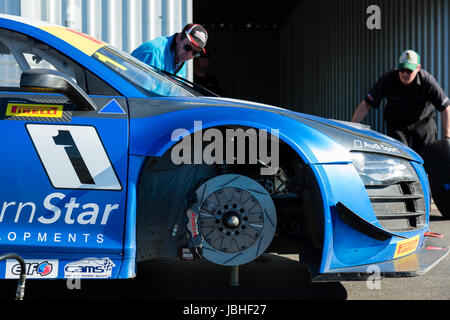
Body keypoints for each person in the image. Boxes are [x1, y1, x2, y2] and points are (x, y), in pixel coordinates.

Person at [352, 50, 450, 153]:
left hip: (423, 121)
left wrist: (447, 138)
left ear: (418, 68)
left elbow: (445, 108)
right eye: (401, 70)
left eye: (409, 71)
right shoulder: (388, 79)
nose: (404, 74)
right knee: (400, 154)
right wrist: (351, 128)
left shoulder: (427, 81)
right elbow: (366, 104)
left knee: (427, 154)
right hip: (397, 123)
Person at [131, 23, 208, 79]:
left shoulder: (180, 58)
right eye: (187, 47)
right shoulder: (153, 53)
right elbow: (138, 93)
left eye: (195, 52)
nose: (189, 55)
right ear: (178, 38)